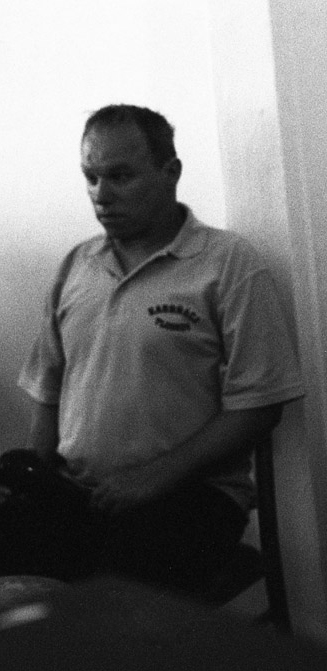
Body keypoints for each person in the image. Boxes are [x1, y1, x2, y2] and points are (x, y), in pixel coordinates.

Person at [2, 104, 304, 595]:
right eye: (91, 178)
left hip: (189, 497)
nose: (101, 195)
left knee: (106, 602)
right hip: (83, 494)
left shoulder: (227, 263)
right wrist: (40, 479)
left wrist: (151, 479)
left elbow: (260, 405)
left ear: (171, 171)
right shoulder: (77, 265)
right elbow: (47, 388)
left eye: (120, 176)